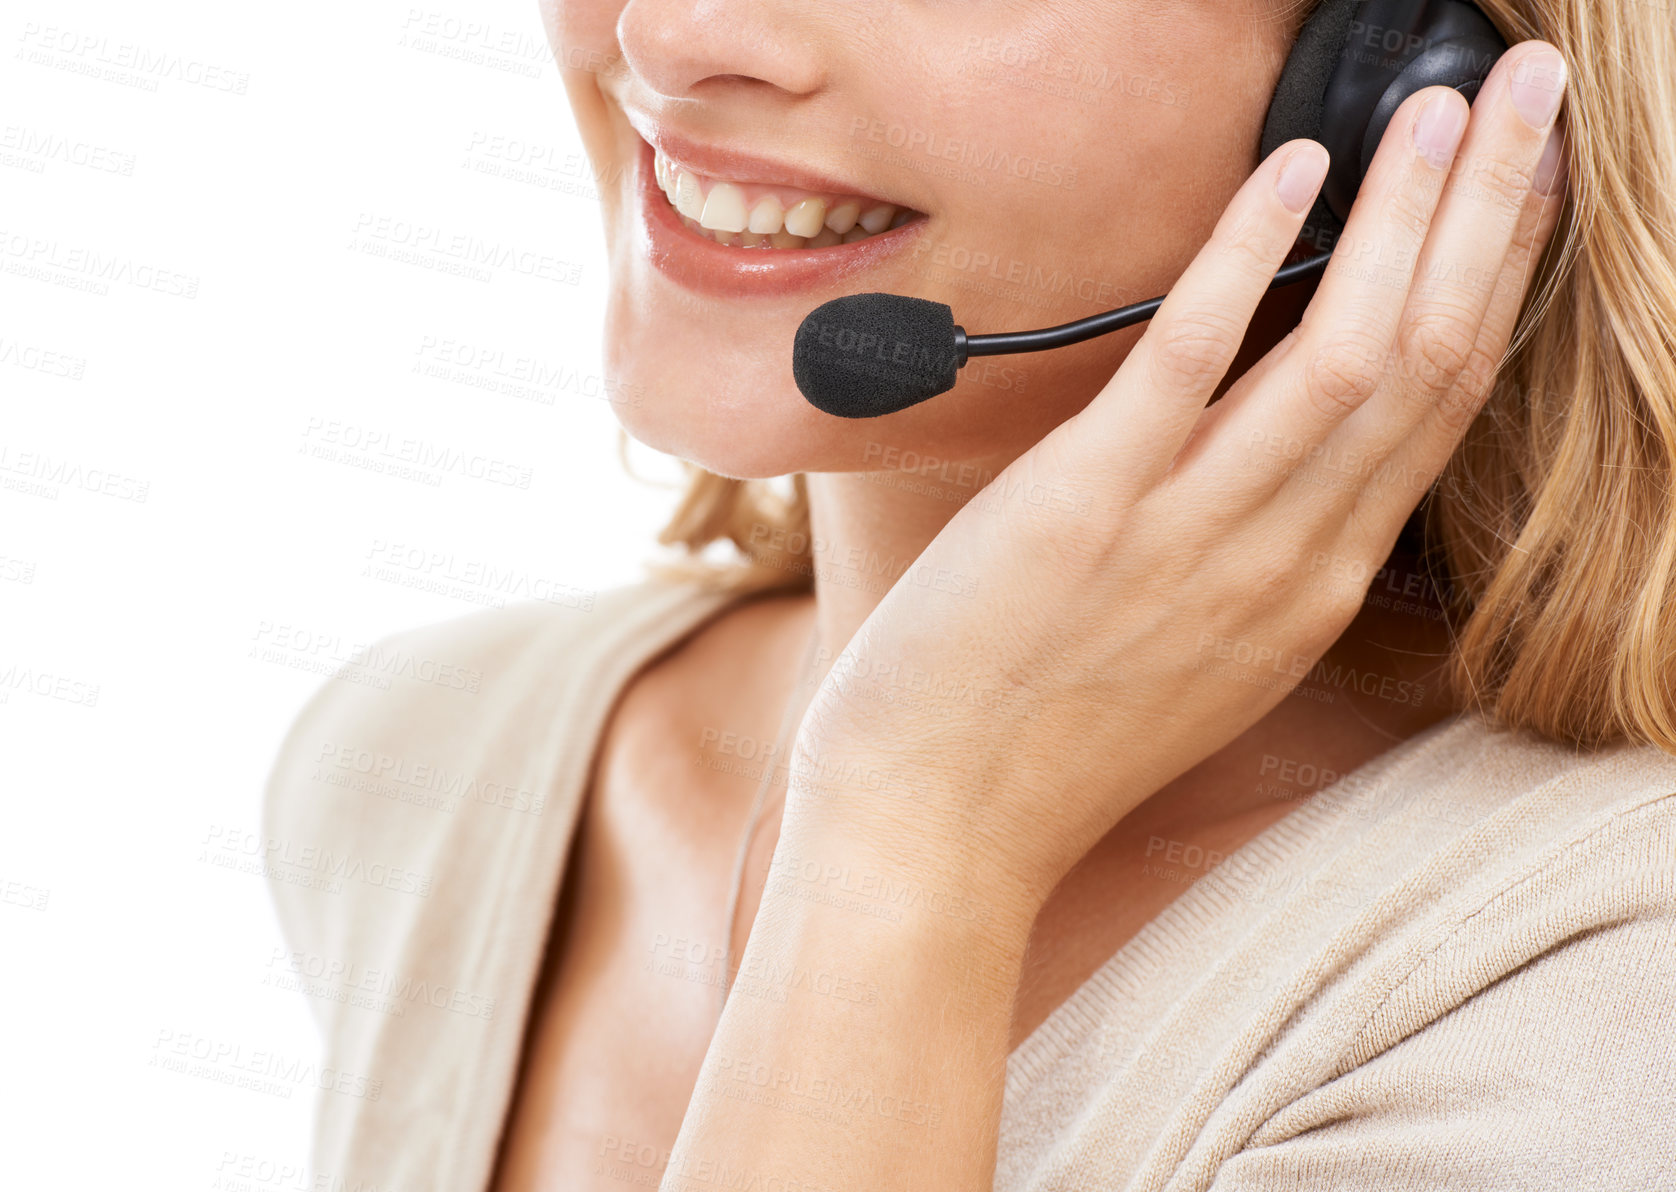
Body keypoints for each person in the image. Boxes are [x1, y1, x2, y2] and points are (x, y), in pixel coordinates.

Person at [264, 0, 1676, 1188]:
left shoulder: (1589, 1002)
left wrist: (911, 837)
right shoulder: (432, 762)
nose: (674, 34)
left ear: (1403, 82)